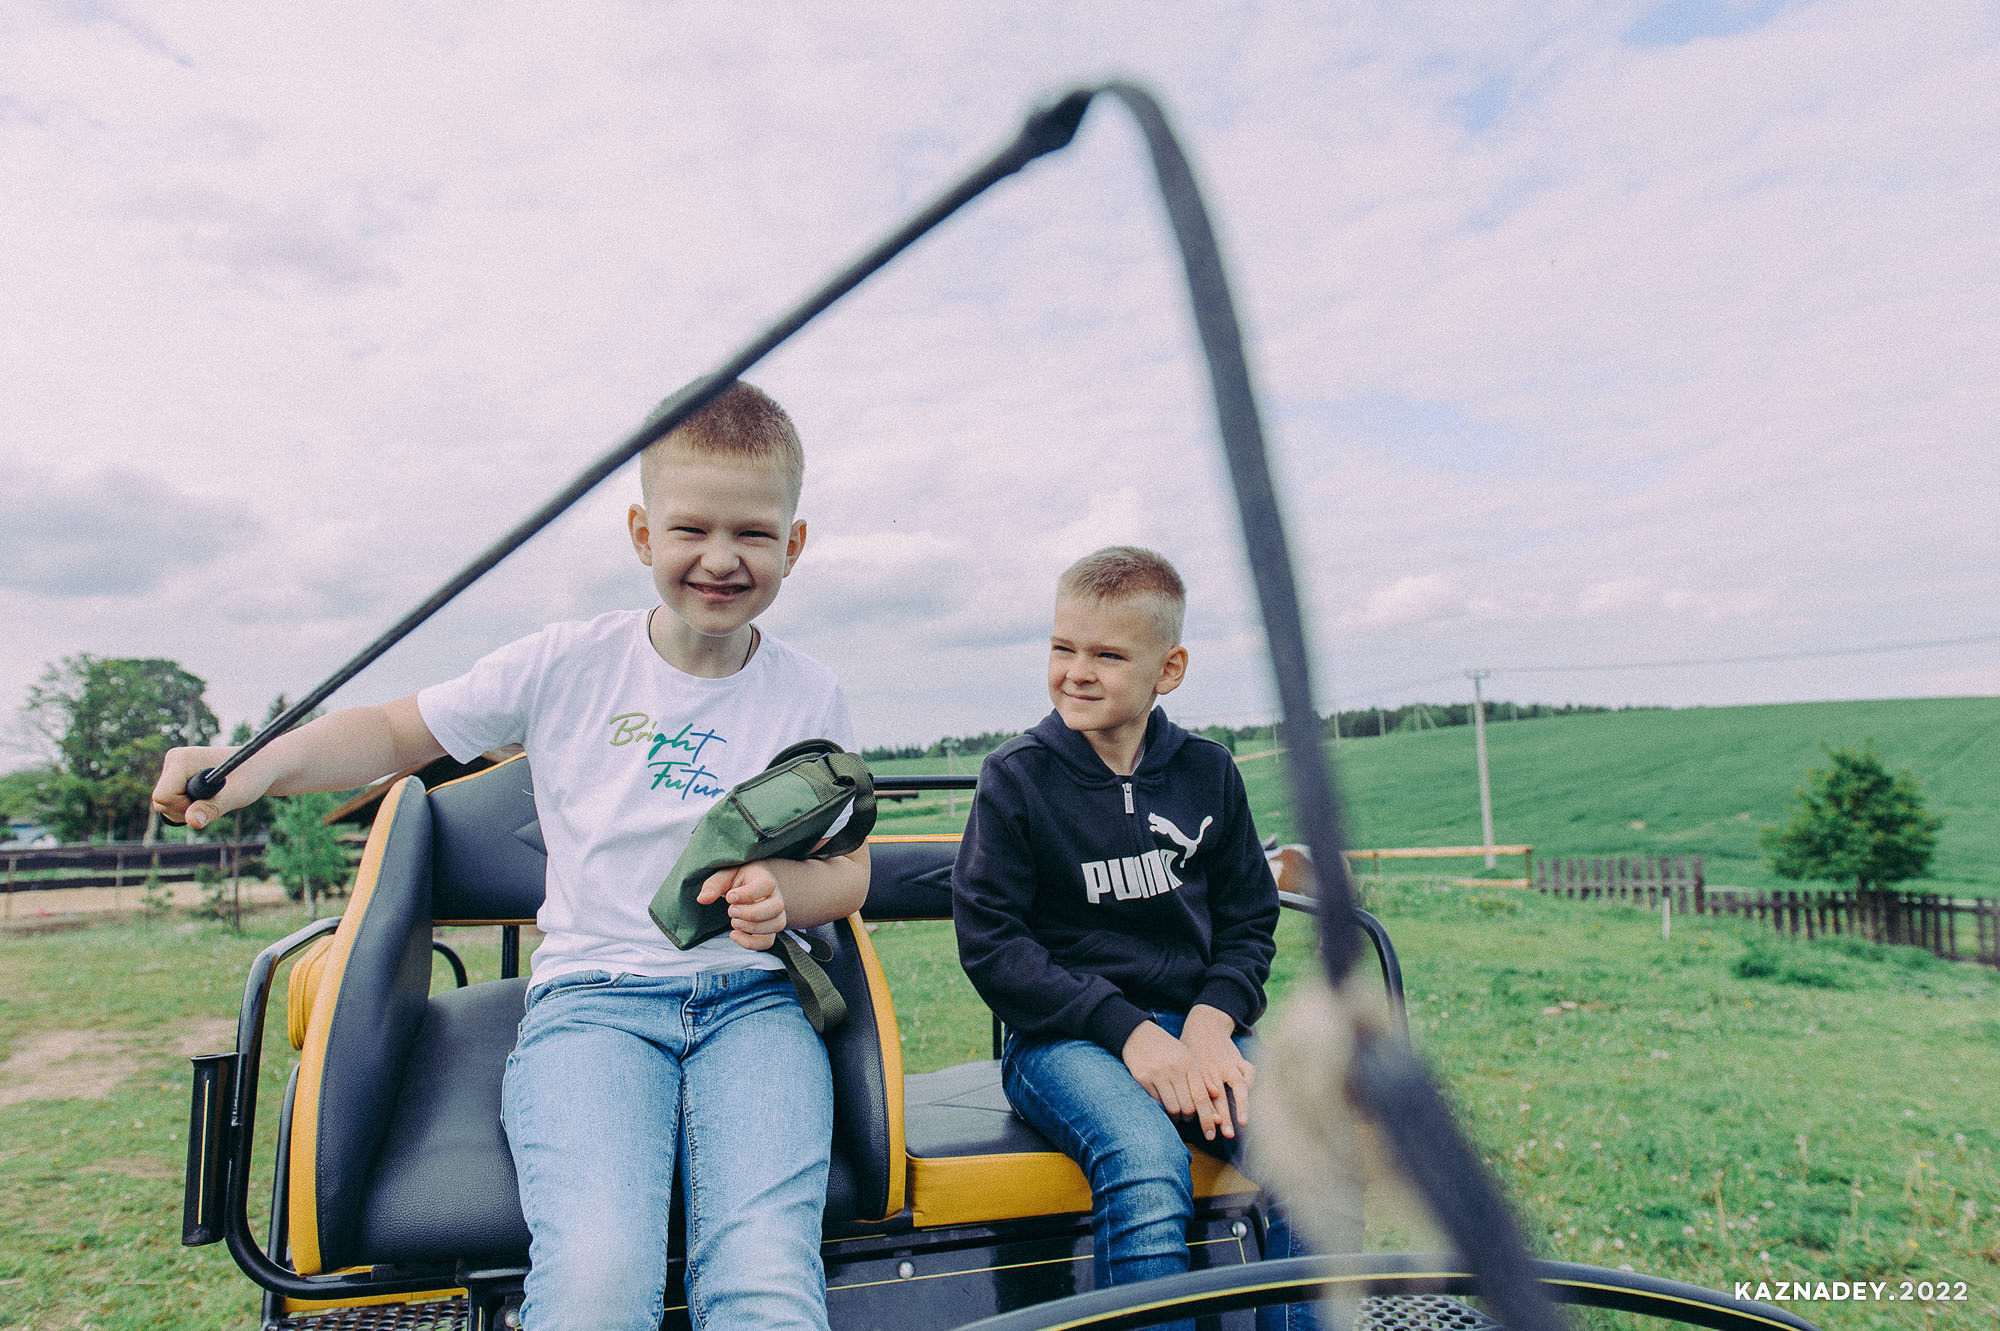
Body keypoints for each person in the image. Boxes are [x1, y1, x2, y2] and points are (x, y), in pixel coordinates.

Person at [153, 382, 868, 1331]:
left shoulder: (809, 696)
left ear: (796, 544)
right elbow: (389, 732)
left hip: (757, 1008)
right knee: (597, 1277)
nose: (721, 558)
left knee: (767, 1279)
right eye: (692, 528)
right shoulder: (567, 663)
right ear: (642, 533)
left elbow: (851, 870)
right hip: (596, 1007)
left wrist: (787, 889)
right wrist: (244, 768)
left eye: (755, 533)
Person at [952, 546, 1327, 1331]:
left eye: (1107, 654)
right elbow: (994, 943)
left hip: (1198, 1030)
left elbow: (1249, 918)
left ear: (1171, 666)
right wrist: (1127, 1031)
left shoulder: (1208, 772)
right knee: (1146, 1161)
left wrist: (1212, 1018)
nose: (1076, 672)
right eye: (1063, 647)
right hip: (1064, 1040)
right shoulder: (1017, 777)